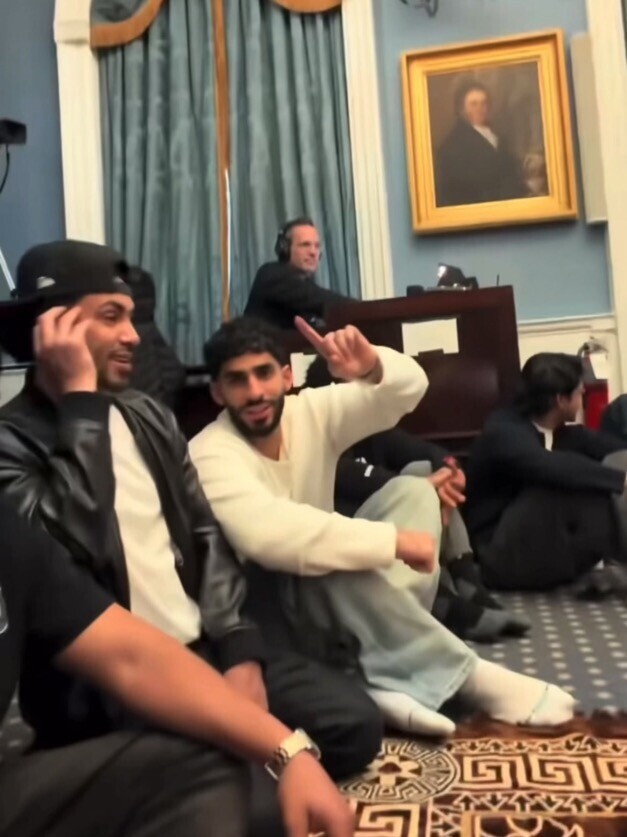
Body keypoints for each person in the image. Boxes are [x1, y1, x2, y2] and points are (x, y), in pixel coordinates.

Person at [0, 241, 382, 791]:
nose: (133, 335)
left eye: (130, 316)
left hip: (199, 652)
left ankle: (207, 765)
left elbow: (205, 535)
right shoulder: (10, 441)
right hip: (104, 686)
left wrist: (238, 651)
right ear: (52, 330)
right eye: (111, 317)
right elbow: (67, 558)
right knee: (239, 791)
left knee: (354, 724)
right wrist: (80, 407)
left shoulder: (147, 415)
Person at [190, 316, 576, 739]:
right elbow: (270, 535)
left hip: (332, 606)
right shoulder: (209, 452)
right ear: (217, 392)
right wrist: (393, 542)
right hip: (268, 615)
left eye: (263, 374)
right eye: (237, 380)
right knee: (323, 558)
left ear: (286, 377)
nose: (255, 392)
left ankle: (378, 673)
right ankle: (467, 677)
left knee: (416, 492)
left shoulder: (309, 411)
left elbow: (409, 389)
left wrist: (372, 365)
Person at [0, 497, 353, 837]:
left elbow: (130, 656)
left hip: (199, 642)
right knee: (260, 810)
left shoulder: (9, 529)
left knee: (209, 768)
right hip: (83, 709)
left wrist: (288, 751)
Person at [303, 356, 530, 643]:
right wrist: (423, 486)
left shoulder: (371, 430)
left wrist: (451, 472)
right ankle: (445, 603)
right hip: (347, 535)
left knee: (424, 470)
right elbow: (350, 476)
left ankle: (466, 582)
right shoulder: (314, 441)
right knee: (418, 482)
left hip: (391, 529)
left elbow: (431, 454)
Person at [465, 352, 627, 592]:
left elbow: (614, 450)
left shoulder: (563, 433)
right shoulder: (503, 431)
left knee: (615, 462)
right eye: (579, 391)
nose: (584, 394)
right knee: (562, 486)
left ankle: (612, 567)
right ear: (561, 399)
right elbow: (546, 466)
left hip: (542, 544)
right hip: (499, 552)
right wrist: (620, 479)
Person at [243, 218, 349, 330]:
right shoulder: (271, 275)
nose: (313, 252)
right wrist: (359, 309)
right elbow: (323, 300)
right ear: (285, 249)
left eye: (317, 246)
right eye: (305, 245)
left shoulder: (306, 284)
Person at [434, 80, 527, 207]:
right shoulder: (453, 146)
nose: (480, 109)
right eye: (473, 104)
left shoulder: (498, 135)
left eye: (484, 103)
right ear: (461, 109)